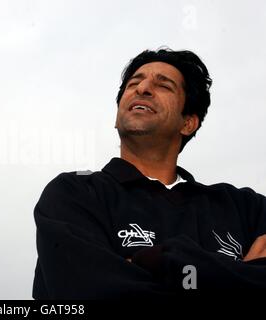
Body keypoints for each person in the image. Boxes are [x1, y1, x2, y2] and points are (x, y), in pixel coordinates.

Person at [32, 48, 266, 301]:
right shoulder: (74, 193)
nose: (142, 88)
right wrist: (237, 278)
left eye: (163, 85)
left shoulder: (246, 208)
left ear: (188, 122)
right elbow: (93, 294)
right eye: (134, 82)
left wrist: (162, 260)